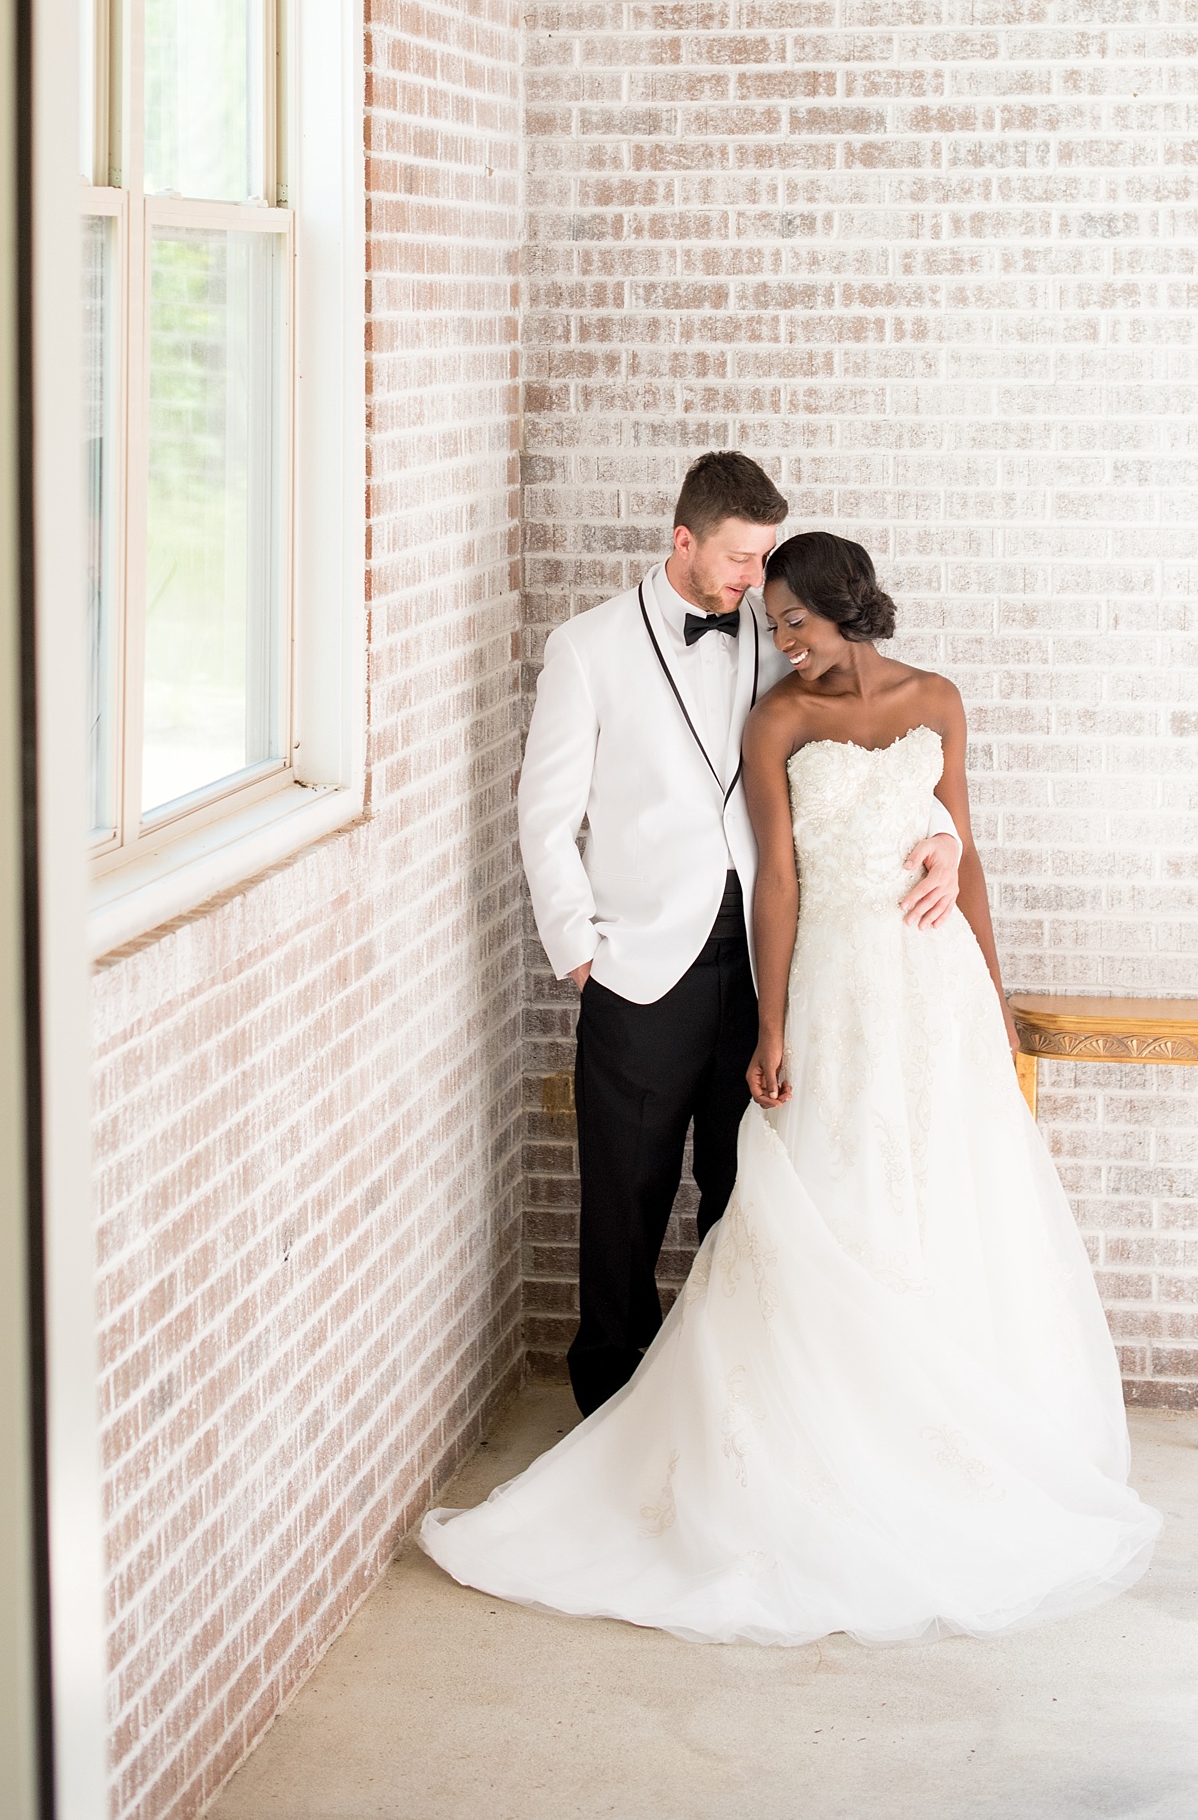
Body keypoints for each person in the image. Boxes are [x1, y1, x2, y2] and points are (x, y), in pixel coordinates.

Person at [420, 530, 1159, 1644]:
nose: (781, 643)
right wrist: (770, 1019)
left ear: (843, 607)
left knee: (940, 1191)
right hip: (826, 984)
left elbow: (967, 841)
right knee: (810, 1192)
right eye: (770, 625)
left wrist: (991, 995)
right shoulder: (778, 714)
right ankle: (755, 1424)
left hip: (932, 991)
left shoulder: (938, 697)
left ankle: (938, 1422)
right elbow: (775, 872)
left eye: (792, 623)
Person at [515, 454, 964, 1417]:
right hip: (639, 961)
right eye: (740, 558)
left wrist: (945, 839)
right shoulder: (587, 649)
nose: (757, 582)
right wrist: (579, 952)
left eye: (765, 559)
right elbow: (543, 817)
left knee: (749, 1188)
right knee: (624, 1198)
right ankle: (610, 1403)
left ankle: (727, 1409)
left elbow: (878, 755)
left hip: (776, 962)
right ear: (684, 540)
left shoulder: (781, 638)